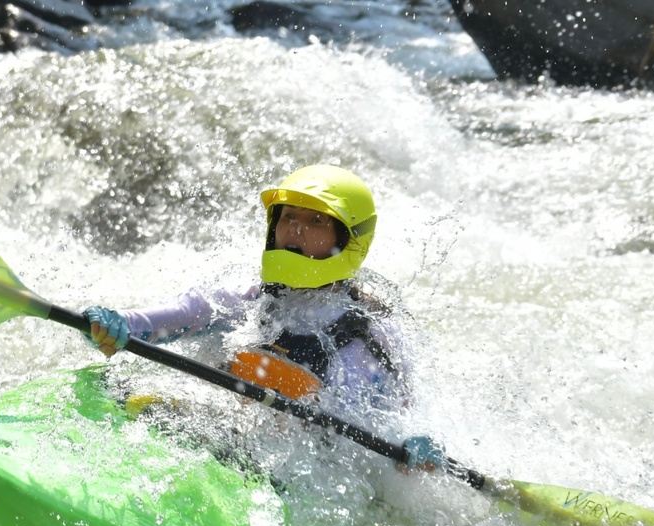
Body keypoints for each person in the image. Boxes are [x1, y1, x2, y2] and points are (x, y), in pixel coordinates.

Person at [80, 164, 446, 473]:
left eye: (316, 220)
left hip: (299, 473)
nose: (295, 230)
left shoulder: (372, 337)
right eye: (288, 218)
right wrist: (117, 324)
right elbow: (171, 318)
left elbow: (403, 422)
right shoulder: (242, 297)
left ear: (348, 239)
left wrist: (415, 452)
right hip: (222, 434)